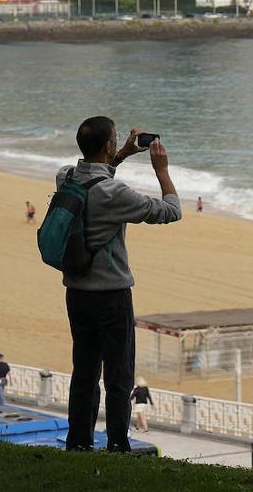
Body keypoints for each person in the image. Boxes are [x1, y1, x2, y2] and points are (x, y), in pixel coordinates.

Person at [57, 116, 181, 453]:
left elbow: (96, 175)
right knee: (118, 375)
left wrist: (123, 153)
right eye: (115, 139)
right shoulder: (115, 193)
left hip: (76, 291)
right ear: (108, 145)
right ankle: (116, 443)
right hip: (111, 295)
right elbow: (171, 211)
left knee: (83, 371)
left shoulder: (65, 177)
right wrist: (162, 170)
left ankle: (78, 442)